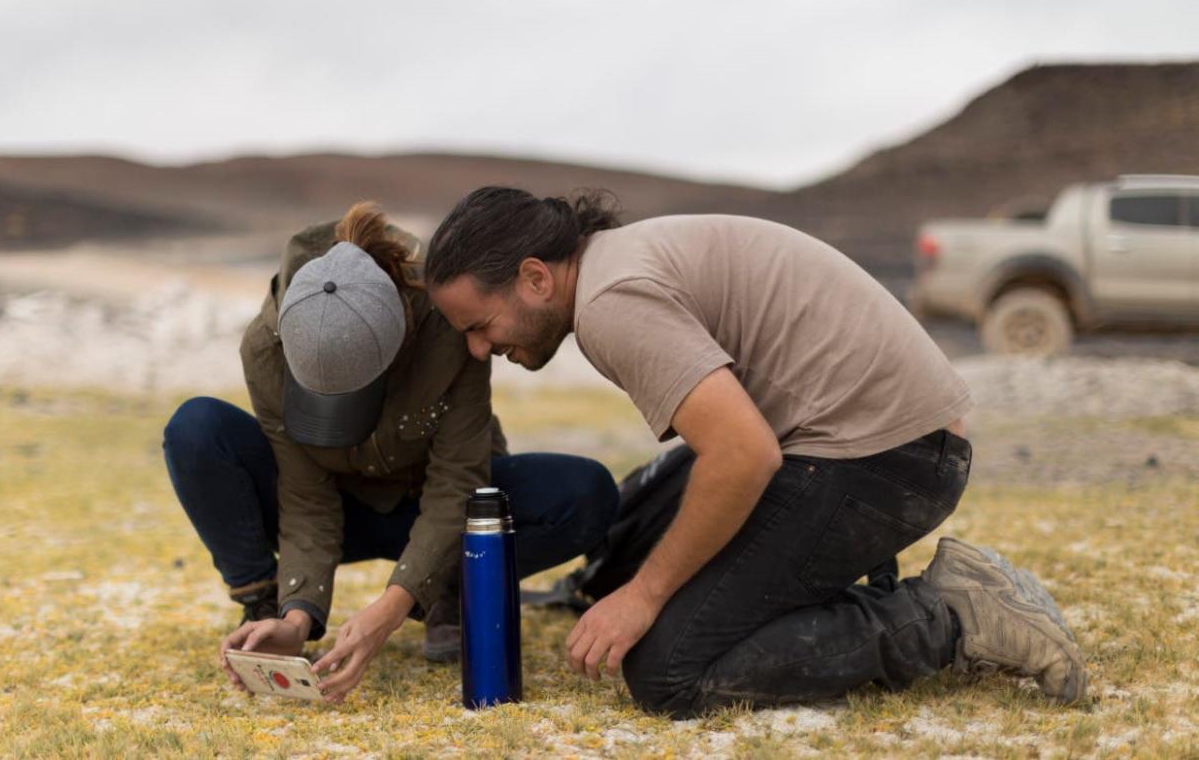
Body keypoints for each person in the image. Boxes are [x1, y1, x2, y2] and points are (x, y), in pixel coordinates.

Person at [423, 186, 1088, 718]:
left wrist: (646, 597)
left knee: (669, 667)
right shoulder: (613, 264)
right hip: (861, 440)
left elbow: (742, 454)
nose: (481, 351)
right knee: (636, 528)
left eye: (481, 327)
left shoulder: (611, 304)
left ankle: (950, 617)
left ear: (535, 277)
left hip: (890, 460)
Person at [163, 202, 618, 705]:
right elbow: (304, 493)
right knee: (197, 427)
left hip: (434, 507)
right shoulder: (266, 348)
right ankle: (260, 606)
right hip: (343, 512)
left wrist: (395, 604)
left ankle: (449, 590)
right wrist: (297, 616)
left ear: (400, 337)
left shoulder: (454, 325)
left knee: (583, 491)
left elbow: (456, 483)